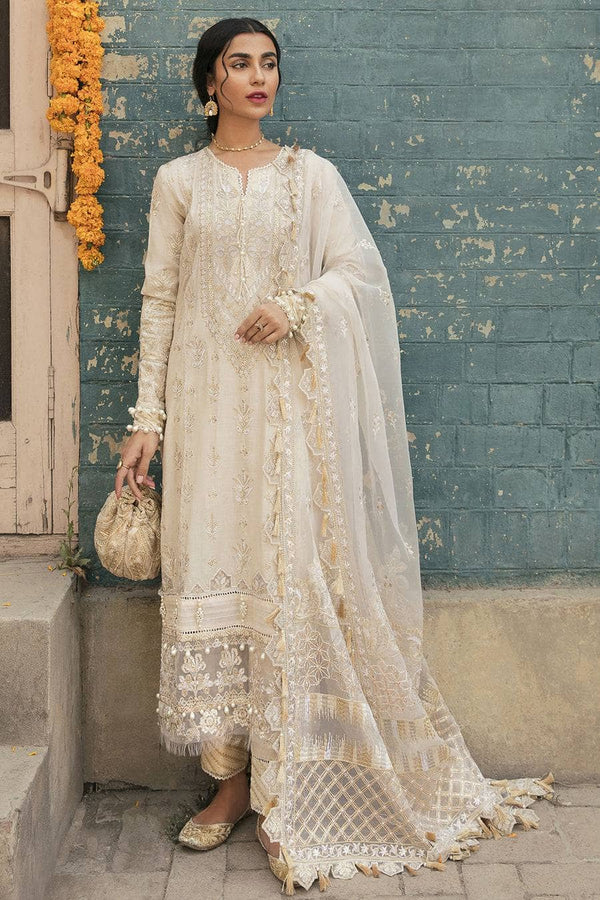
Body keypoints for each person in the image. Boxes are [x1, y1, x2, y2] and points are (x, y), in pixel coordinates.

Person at [114, 17, 554, 895]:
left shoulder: (309, 176)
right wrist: (147, 419)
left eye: (269, 63)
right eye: (240, 64)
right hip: (208, 409)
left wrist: (297, 304)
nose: (259, 77)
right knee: (215, 571)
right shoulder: (179, 182)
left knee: (287, 580)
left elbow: (360, 274)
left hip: (288, 416)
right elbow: (160, 299)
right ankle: (230, 781)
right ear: (209, 83)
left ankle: (294, 782)